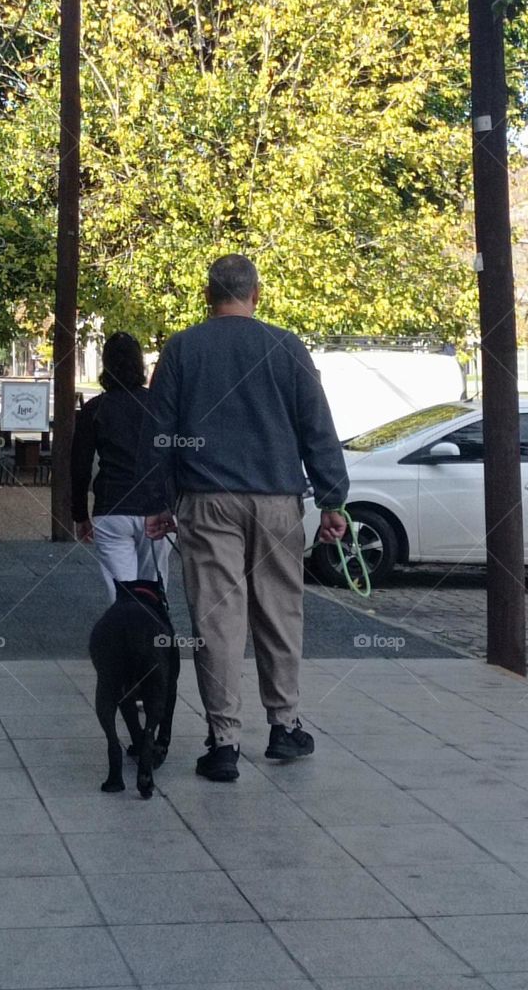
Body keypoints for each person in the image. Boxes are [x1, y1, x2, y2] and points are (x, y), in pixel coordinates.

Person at [142, 254, 349, 782]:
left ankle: (224, 742)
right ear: (256, 294)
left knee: (217, 620)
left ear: (206, 295)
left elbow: (159, 434)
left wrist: (161, 501)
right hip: (278, 498)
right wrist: (332, 499)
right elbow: (316, 426)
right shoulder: (286, 346)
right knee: (280, 613)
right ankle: (284, 726)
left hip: (207, 498)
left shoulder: (182, 348)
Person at [71, 332, 170, 600]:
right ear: (140, 364)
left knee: (122, 596)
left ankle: (125, 637)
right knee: (154, 593)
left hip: (111, 506)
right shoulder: (159, 406)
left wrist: (80, 514)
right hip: (154, 507)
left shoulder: (94, 409)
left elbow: (79, 466)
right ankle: (153, 638)